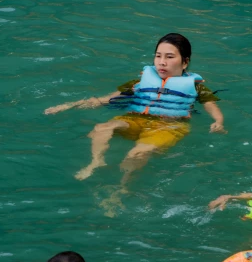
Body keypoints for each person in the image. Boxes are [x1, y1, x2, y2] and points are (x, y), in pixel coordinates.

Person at [45, 33, 225, 211]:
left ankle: (121, 189)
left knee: (137, 153)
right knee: (102, 127)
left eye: (169, 57)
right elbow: (107, 99)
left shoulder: (195, 86)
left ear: (185, 62)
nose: (162, 62)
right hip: (135, 119)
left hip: (169, 126)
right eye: (158, 56)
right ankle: (96, 162)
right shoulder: (140, 82)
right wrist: (70, 105)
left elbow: (211, 106)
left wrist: (218, 121)